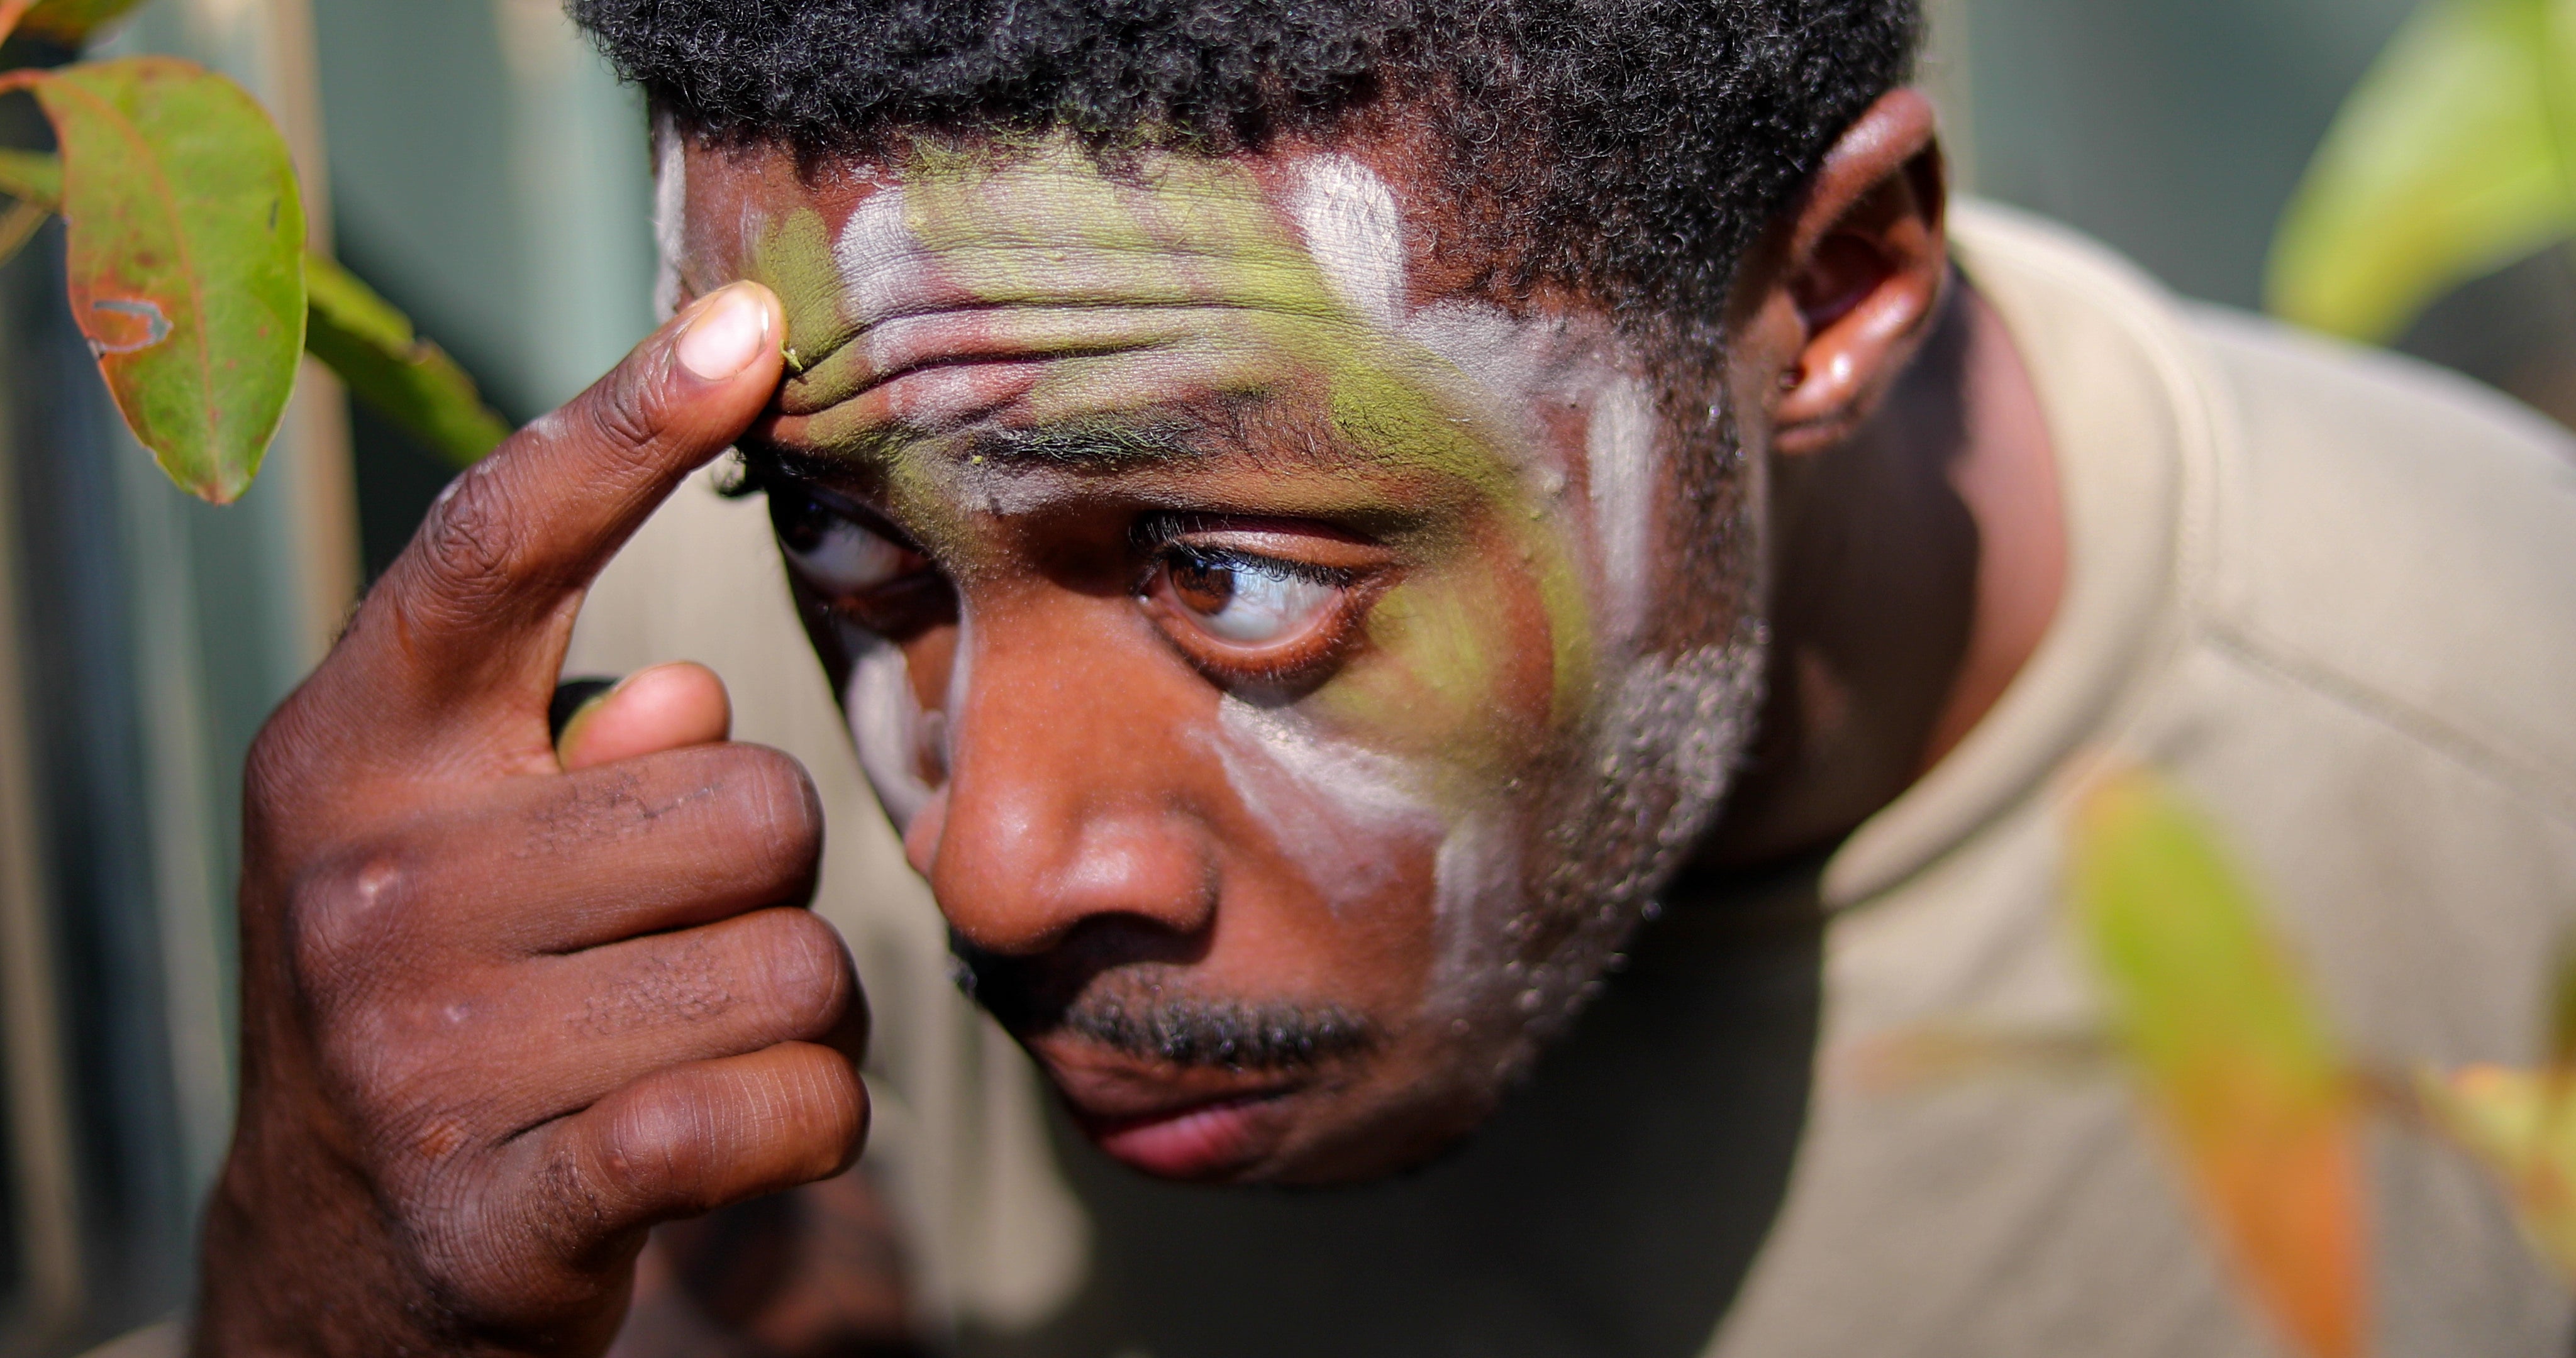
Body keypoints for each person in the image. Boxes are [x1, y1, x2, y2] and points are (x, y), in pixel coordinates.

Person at [187, 0, 2576, 1353]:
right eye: (848, 542)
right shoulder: (658, 777)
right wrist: (318, 1293)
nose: (991, 859)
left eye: (1234, 576)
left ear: (1831, 288)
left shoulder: (2506, 802)